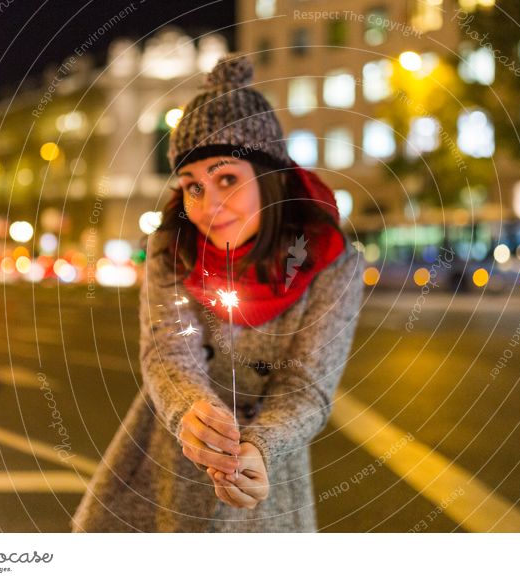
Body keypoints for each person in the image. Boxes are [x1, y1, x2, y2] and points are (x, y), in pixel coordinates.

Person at [70, 53, 363, 532]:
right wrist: (193, 410)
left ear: (269, 179)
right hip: (166, 459)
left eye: (227, 178)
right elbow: (168, 352)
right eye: (192, 186)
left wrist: (261, 445)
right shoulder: (172, 246)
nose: (208, 205)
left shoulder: (331, 260)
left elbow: (308, 384)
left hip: (266, 473)